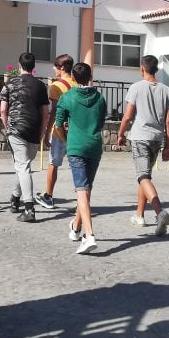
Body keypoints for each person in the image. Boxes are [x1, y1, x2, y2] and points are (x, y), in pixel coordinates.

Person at [116, 55, 169, 236]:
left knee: (142, 176)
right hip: (157, 138)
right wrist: (168, 146)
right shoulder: (166, 90)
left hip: (140, 136)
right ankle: (139, 215)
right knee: (146, 176)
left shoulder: (136, 87)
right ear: (156, 69)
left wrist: (120, 134)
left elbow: (127, 116)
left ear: (142, 68)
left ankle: (160, 212)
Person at [54, 62, 107, 254]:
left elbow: (58, 124)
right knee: (86, 188)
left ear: (73, 79)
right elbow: (101, 123)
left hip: (76, 146)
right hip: (94, 146)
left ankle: (89, 234)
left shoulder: (67, 97)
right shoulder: (100, 98)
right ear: (90, 76)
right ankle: (76, 228)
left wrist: (66, 141)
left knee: (81, 189)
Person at [0, 51, 49, 223]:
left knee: (23, 166)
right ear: (34, 66)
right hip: (34, 130)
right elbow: (45, 113)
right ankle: (15, 198)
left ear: (19, 65)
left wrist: (7, 127)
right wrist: (43, 133)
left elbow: (3, 110)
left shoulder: (9, 85)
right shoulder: (41, 86)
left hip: (16, 129)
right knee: (24, 165)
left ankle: (29, 208)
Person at [38, 54, 75, 210]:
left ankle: (48, 195)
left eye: (55, 66)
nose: (53, 69)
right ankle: (82, 196)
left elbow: (53, 112)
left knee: (53, 163)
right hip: (76, 130)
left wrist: (46, 133)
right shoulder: (78, 83)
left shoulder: (55, 86)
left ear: (61, 68)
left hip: (59, 131)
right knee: (76, 165)